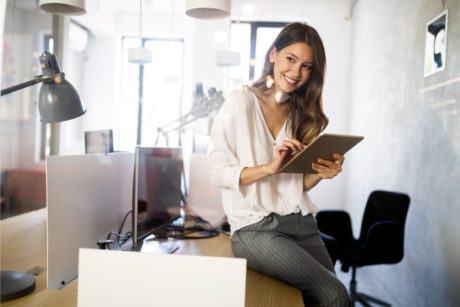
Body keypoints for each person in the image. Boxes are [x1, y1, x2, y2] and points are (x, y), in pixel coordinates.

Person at [208, 22, 350, 307]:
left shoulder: (300, 112)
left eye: (307, 66)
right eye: (291, 59)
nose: (297, 73)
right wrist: (269, 168)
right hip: (255, 229)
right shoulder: (240, 101)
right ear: (273, 55)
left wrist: (323, 173)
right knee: (335, 296)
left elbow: (296, 186)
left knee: (327, 298)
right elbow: (216, 172)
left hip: (301, 222)